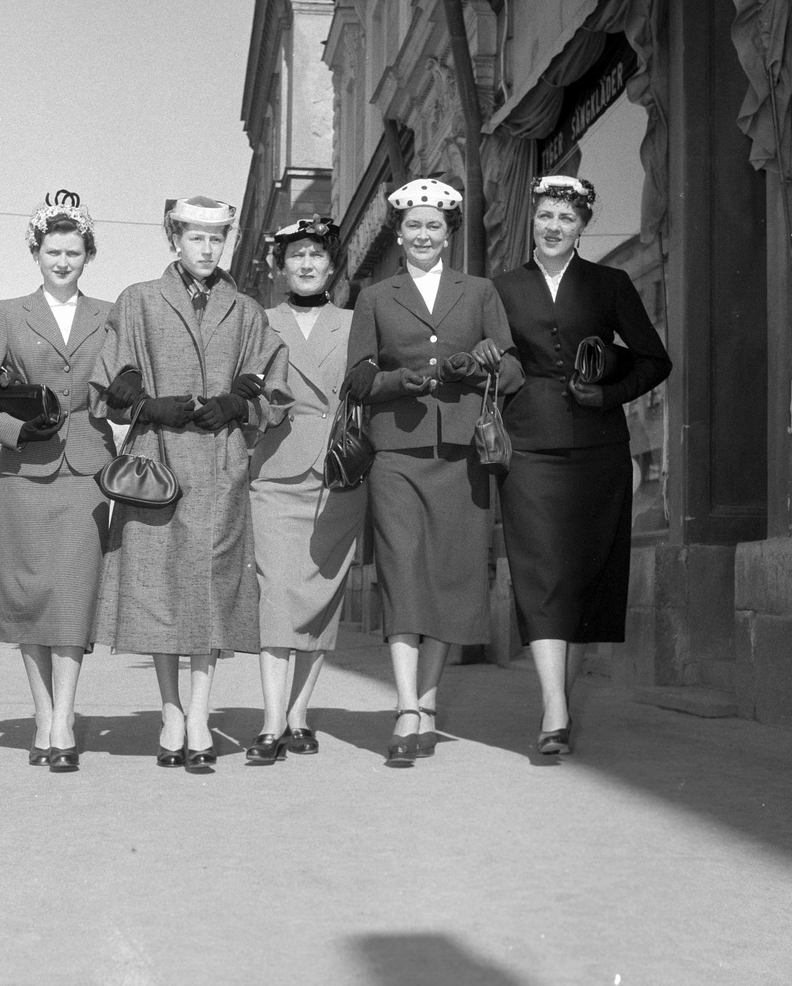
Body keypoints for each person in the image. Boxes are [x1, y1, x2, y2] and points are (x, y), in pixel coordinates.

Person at [89, 196, 289, 770]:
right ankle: (170, 711)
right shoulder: (139, 301)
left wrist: (240, 404)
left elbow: (273, 389)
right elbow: (107, 385)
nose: (206, 249)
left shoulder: (246, 311)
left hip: (221, 465)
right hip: (155, 463)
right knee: (157, 588)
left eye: (216, 238)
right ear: (173, 239)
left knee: (211, 590)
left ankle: (199, 716)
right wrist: (145, 404)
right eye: (195, 237)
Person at [479, 174, 671, 754]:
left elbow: (654, 360)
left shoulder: (610, 284)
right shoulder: (501, 289)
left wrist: (609, 394)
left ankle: (559, 701)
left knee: (585, 574)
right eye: (545, 215)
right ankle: (555, 709)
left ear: (583, 226)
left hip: (598, 447)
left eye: (566, 218)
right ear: (532, 221)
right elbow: (491, 362)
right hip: (528, 446)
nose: (554, 226)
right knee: (540, 571)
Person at [346, 179, 523, 766]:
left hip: (462, 453)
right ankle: (404, 706)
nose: (423, 236)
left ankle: (428, 700)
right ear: (399, 235)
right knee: (401, 571)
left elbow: (514, 370)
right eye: (414, 226)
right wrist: (398, 381)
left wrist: (479, 367)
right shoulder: (375, 297)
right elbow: (358, 380)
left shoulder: (479, 291)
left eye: (434, 227)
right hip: (395, 451)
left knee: (451, 573)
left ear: (449, 235)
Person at [0, 194, 115, 773]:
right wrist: (15, 431)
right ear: (36, 254)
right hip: (26, 472)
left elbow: (122, 387)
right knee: (29, 595)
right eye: (52, 252)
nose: (63, 262)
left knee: (73, 594)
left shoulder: (110, 314)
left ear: (87, 255)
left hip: (87, 473)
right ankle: (42, 714)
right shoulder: (8, 313)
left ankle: (64, 719)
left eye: (73, 252)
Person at [245, 216, 366, 763]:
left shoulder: (357, 322)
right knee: (276, 593)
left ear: (333, 265)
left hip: (338, 474)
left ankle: (298, 716)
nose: (307, 264)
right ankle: (271, 723)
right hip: (275, 470)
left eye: (317, 254)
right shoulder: (258, 321)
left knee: (320, 595)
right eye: (297, 255)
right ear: (280, 266)